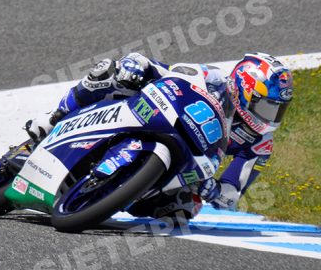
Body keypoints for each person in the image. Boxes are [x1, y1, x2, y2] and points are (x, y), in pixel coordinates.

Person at [23, 52, 293, 218]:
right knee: (110, 72)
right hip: (156, 114)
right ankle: (55, 116)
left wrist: (214, 191)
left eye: (278, 109)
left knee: (184, 211)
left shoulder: (260, 143)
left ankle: (119, 195)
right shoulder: (214, 78)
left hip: (187, 162)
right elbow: (165, 70)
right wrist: (139, 64)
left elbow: (232, 194)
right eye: (267, 106)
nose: (270, 116)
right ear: (244, 89)